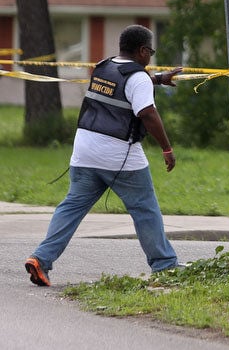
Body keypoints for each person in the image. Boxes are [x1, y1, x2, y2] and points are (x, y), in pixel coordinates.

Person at [24, 25, 182, 286]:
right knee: (145, 208)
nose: (150, 56)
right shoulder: (139, 77)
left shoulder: (103, 66)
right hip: (118, 153)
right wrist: (167, 148)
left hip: (84, 151)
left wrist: (158, 78)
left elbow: (123, 84)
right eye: (150, 51)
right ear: (142, 50)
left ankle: (41, 259)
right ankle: (165, 267)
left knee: (71, 207)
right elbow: (148, 114)